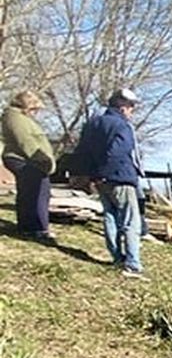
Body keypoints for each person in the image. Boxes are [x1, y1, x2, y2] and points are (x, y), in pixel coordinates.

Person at [73, 88, 145, 279]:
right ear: (122, 107)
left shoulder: (92, 124)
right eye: (131, 107)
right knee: (130, 220)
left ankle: (116, 257)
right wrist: (108, 172)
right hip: (120, 177)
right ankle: (132, 263)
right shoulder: (122, 125)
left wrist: (92, 175)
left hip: (99, 178)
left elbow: (82, 152)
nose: (132, 111)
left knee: (110, 217)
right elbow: (119, 152)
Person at [1, 90, 57, 241]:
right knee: (37, 192)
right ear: (27, 106)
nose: (36, 113)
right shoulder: (16, 119)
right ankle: (37, 228)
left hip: (26, 159)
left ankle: (28, 227)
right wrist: (43, 160)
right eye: (34, 109)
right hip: (25, 159)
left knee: (31, 192)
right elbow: (26, 142)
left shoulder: (17, 117)